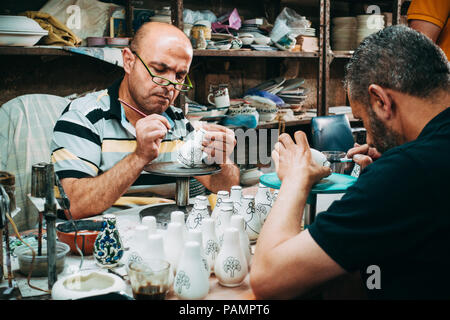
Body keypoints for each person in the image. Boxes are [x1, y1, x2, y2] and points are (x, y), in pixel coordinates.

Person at [250, 25, 450, 300]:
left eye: (363, 120)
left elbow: (268, 279)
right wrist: (380, 197)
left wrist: (296, 178)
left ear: (381, 101)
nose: (369, 137)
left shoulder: (410, 170)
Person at [50, 22, 240, 220]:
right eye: (159, 69)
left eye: (180, 75)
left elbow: (226, 187)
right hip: (105, 240)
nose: (169, 85)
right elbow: (73, 206)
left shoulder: (178, 122)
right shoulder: (84, 117)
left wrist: (221, 160)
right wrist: (139, 157)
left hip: (167, 233)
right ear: (128, 61)